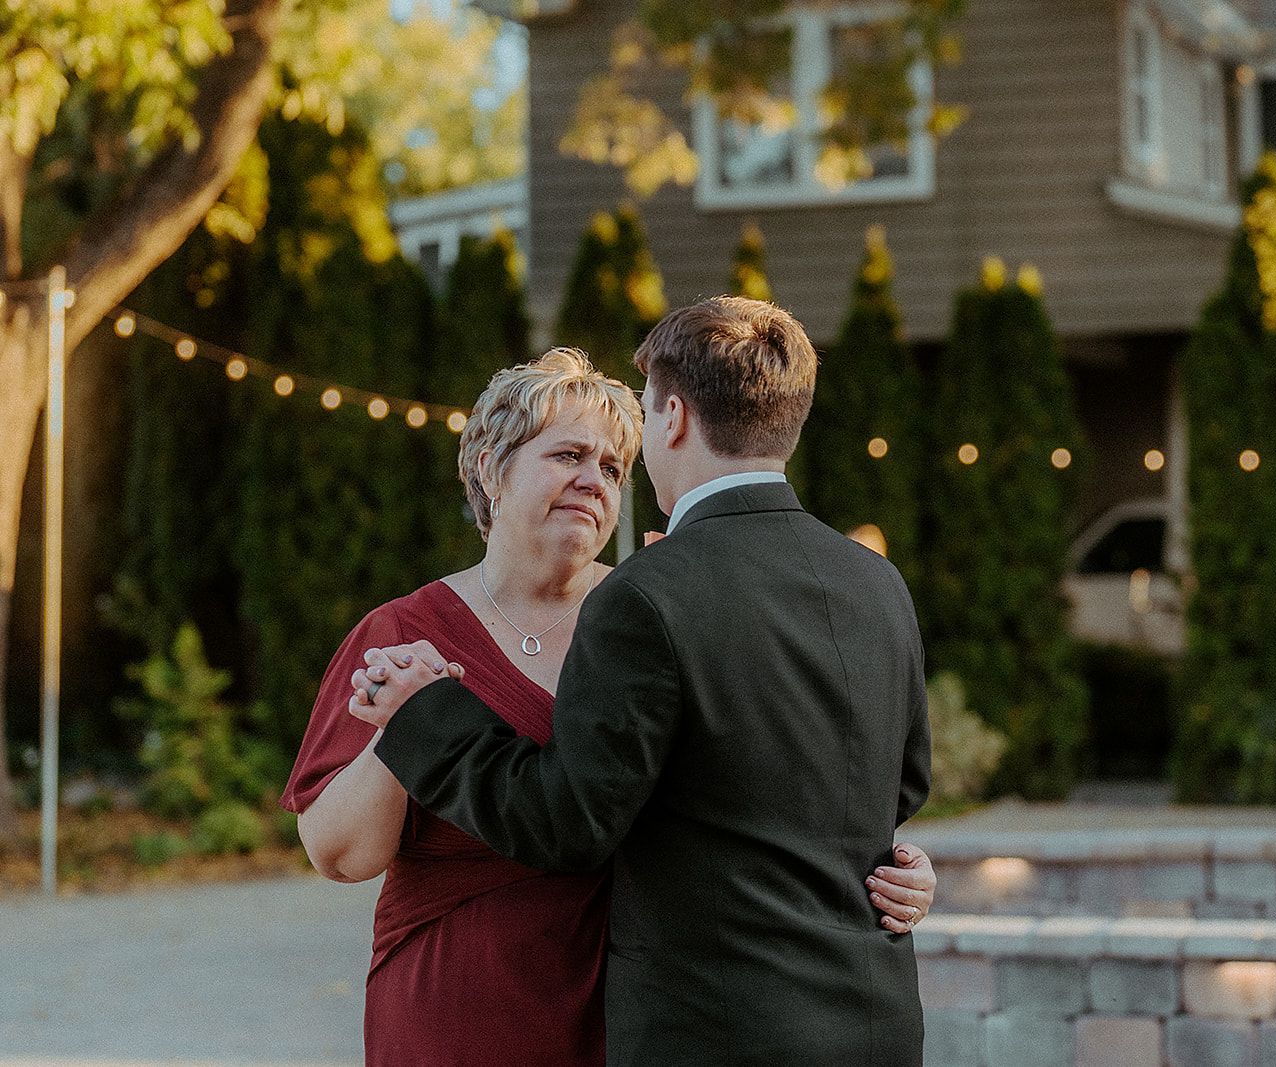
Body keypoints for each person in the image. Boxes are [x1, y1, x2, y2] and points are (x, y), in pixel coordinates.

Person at [282, 348, 933, 1066]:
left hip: (638, 1009)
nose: (592, 481)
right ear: (493, 468)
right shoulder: (403, 632)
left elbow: (771, 775)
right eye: (567, 455)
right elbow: (340, 854)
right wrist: (405, 715)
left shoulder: (653, 614)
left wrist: (889, 862)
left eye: (614, 467)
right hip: (463, 1004)